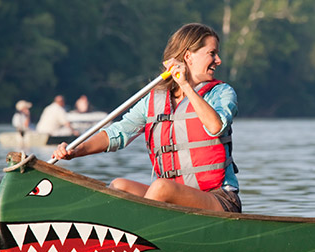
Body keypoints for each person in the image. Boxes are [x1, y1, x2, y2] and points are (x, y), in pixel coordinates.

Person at [52, 23, 240, 213]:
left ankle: (136, 237)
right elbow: (117, 133)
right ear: (188, 56)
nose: (218, 60)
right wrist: (76, 150)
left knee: (161, 187)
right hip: (175, 200)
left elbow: (216, 127)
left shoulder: (222, 93)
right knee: (119, 186)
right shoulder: (154, 100)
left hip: (219, 198)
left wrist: (185, 85)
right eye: (212, 53)